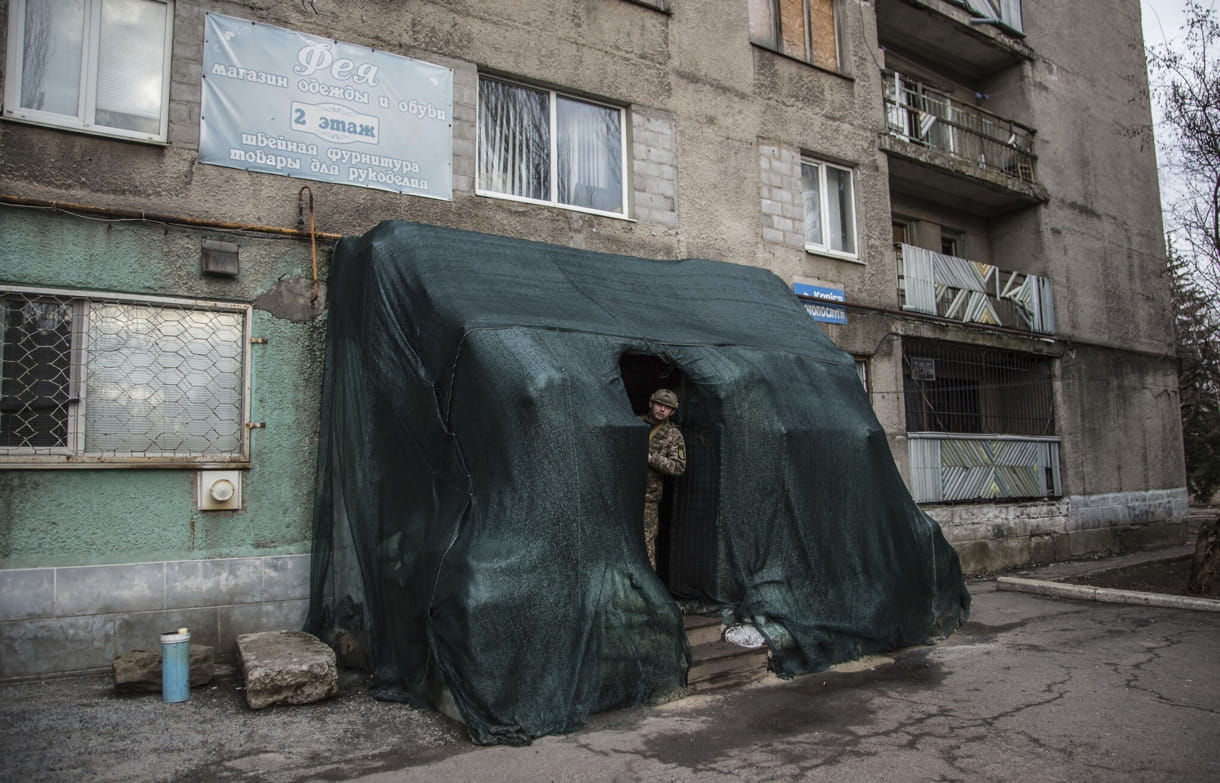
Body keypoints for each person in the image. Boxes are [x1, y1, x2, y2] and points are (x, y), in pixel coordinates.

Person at [639, 388, 686, 570]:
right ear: (651, 403)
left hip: (648, 499)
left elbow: (678, 466)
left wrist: (652, 459)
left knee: (646, 544)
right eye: (659, 404)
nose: (662, 410)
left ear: (672, 412)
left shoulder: (672, 435)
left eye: (667, 407)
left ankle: (648, 591)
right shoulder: (635, 424)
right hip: (626, 494)